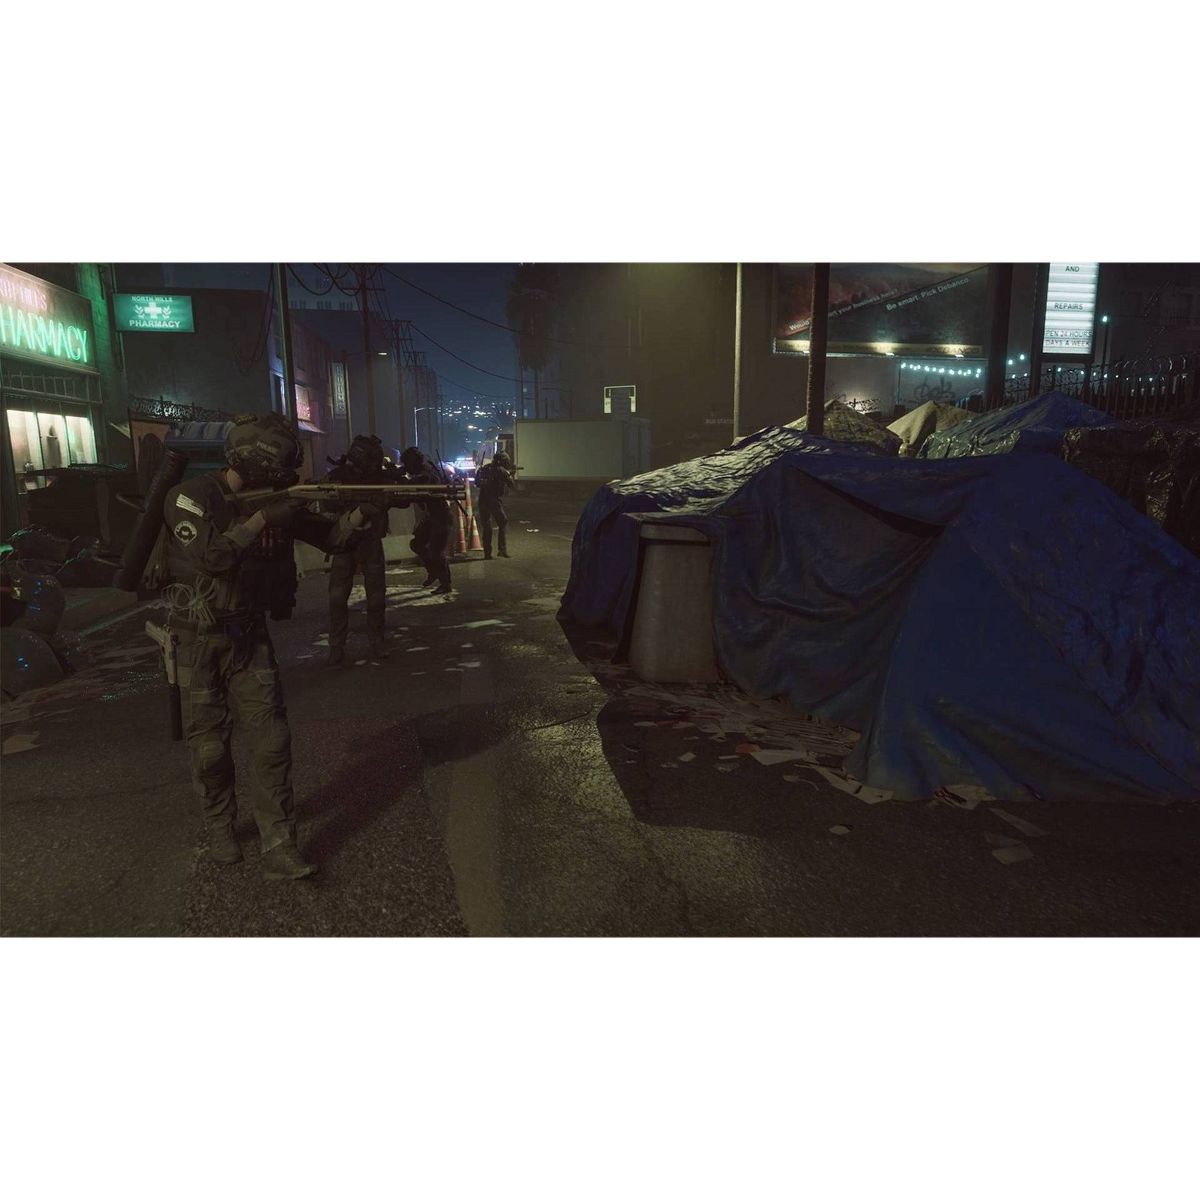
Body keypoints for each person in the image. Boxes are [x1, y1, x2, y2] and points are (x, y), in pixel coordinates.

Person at [161, 412, 384, 880]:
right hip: (199, 640)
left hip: (249, 635)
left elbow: (333, 539)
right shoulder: (189, 497)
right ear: (255, 460)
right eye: (280, 467)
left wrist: (362, 514)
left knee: (272, 741)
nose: (286, 477)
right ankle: (220, 826)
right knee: (210, 749)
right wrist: (261, 518)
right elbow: (213, 558)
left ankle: (280, 845)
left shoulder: (276, 501)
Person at [324, 434, 400, 666]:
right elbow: (326, 502)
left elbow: (403, 498)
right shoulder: (340, 477)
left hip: (365, 541)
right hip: (347, 541)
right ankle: (341, 646)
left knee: (373, 597)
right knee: (340, 597)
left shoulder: (374, 478)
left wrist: (387, 497)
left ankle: (369, 643)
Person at [399, 446, 452, 594]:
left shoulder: (426, 474)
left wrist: (401, 479)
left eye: (407, 465)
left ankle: (445, 583)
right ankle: (433, 571)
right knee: (417, 544)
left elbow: (418, 482)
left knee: (436, 551)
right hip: (432, 516)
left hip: (441, 517)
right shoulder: (426, 470)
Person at [474, 450, 516, 559]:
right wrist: (510, 474)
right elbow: (512, 485)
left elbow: (477, 483)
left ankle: (487, 553)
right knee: (503, 522)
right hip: (494, 500)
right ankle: (502, 550)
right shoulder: (501, 470)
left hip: (483, 500)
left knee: (487, 526)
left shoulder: (485, 468)